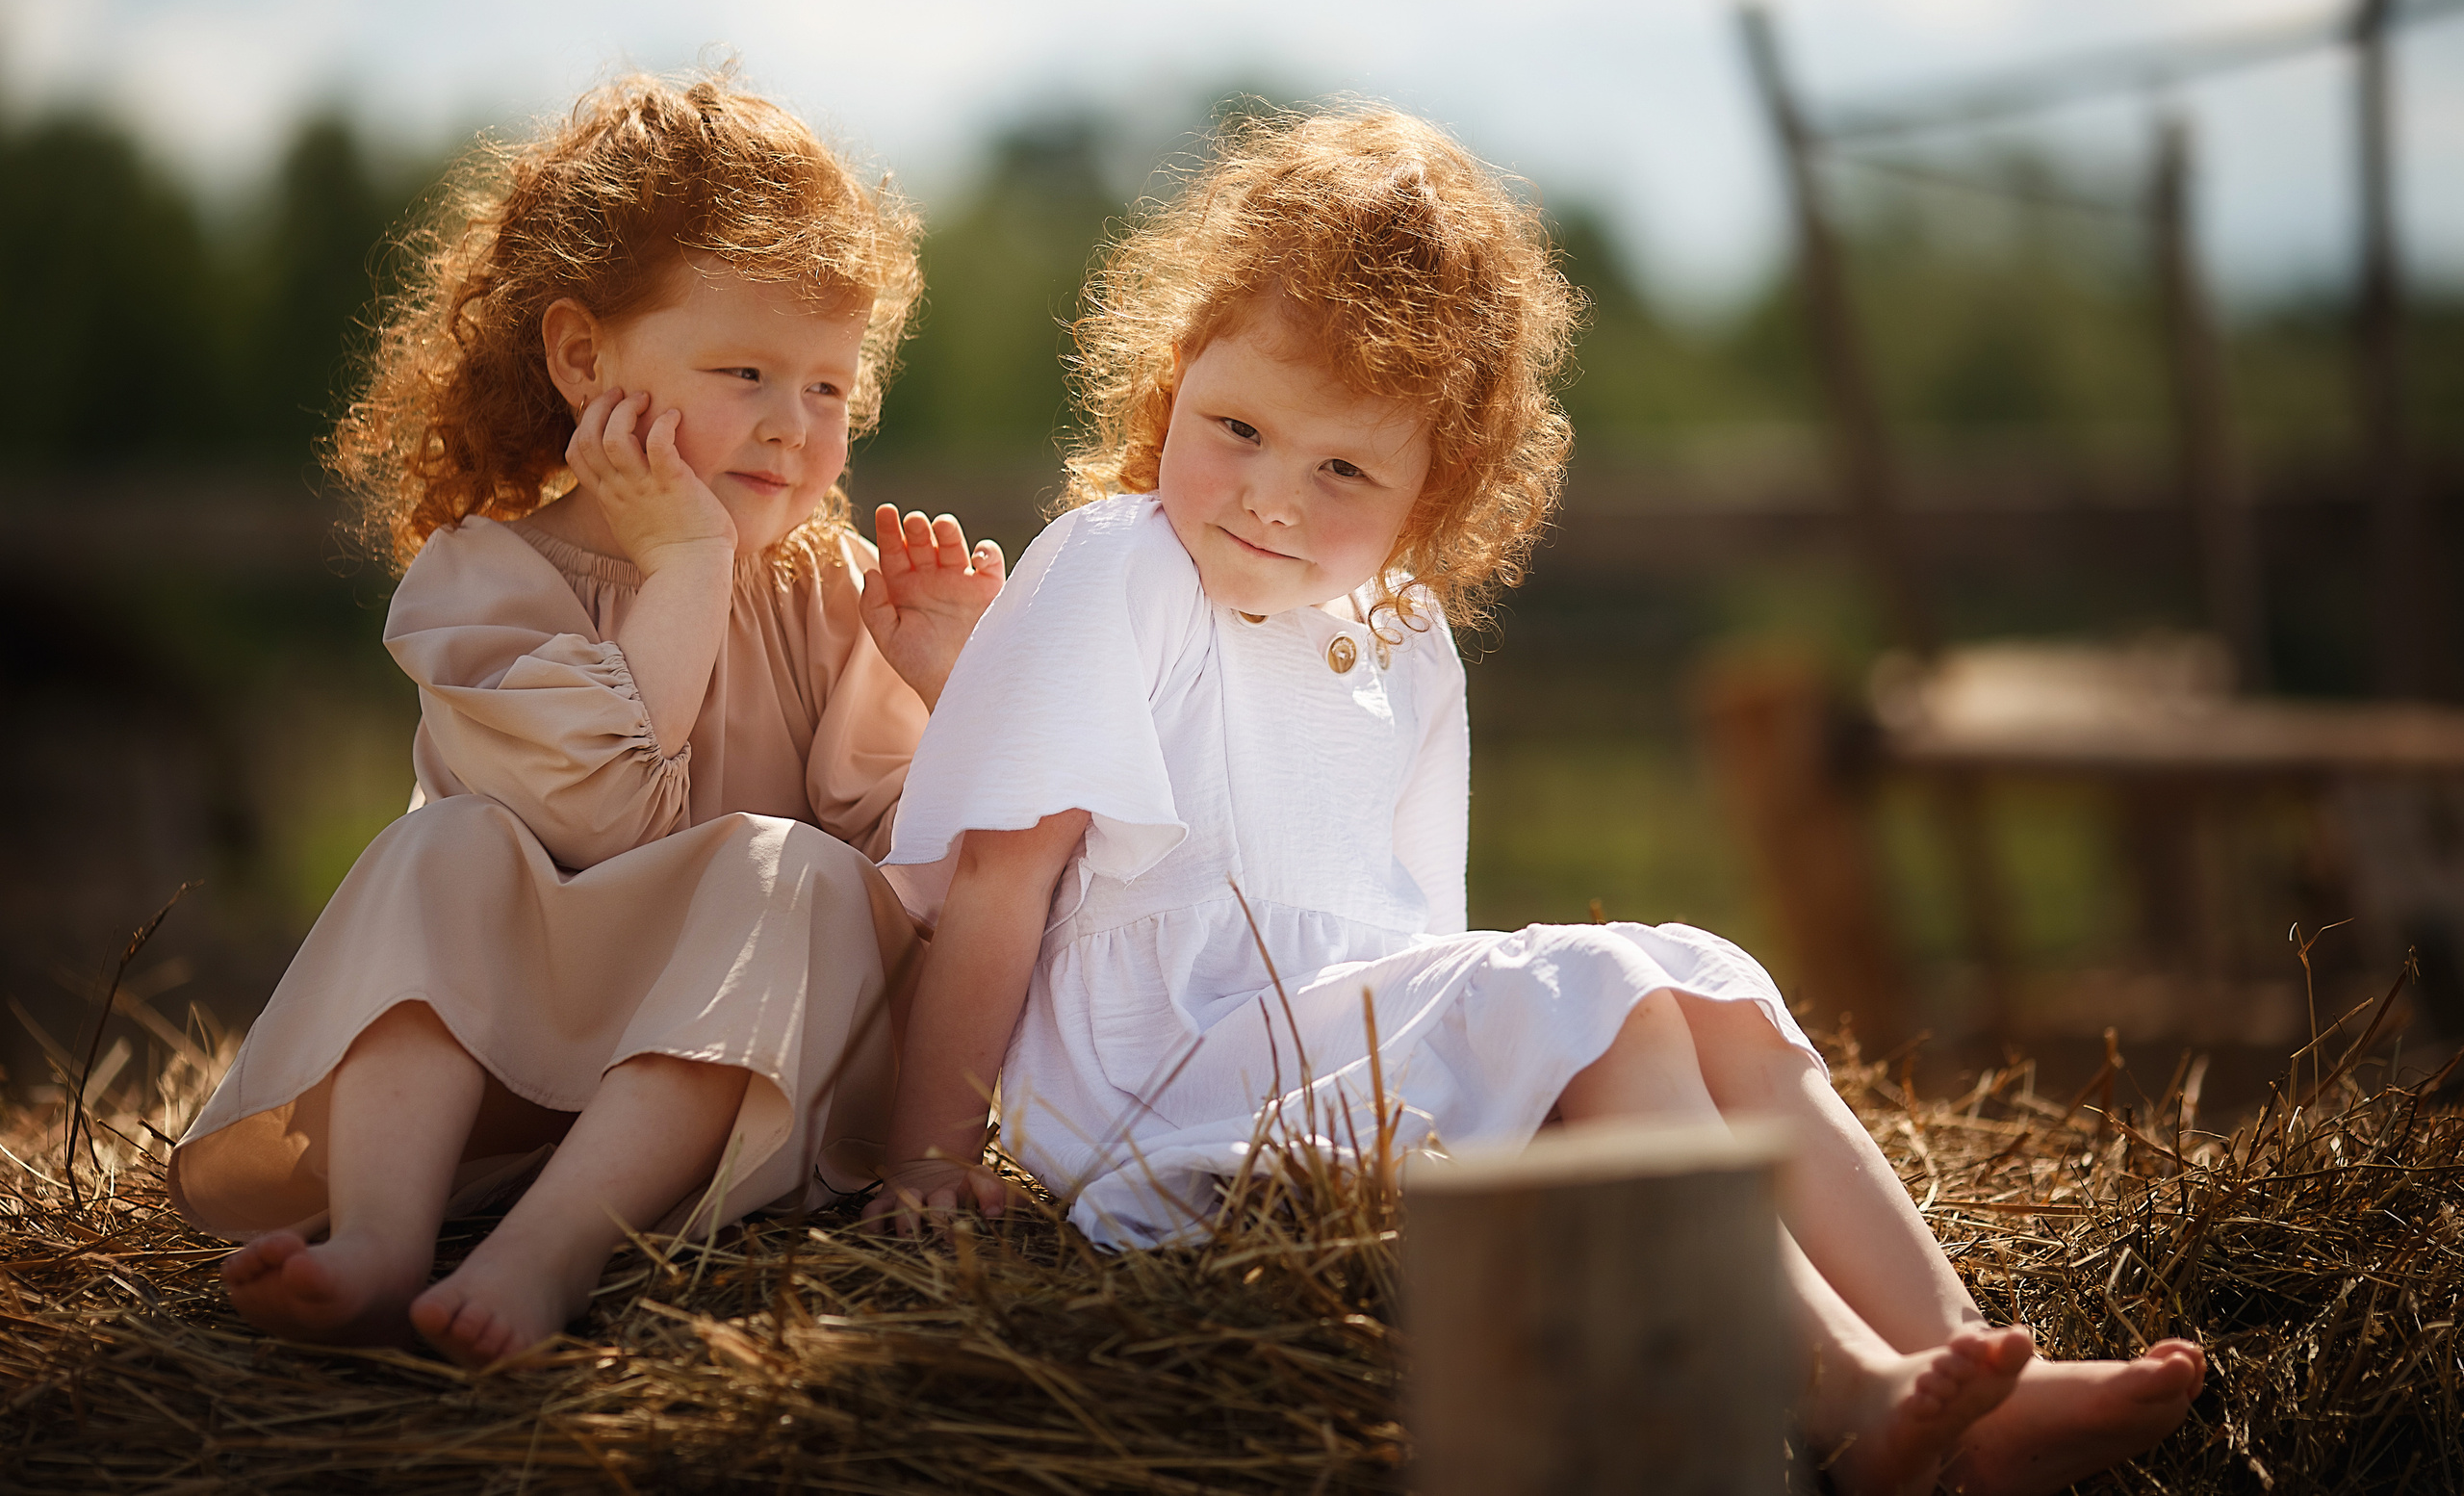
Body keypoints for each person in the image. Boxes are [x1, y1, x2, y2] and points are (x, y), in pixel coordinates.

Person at [869, 107, 2206, 1496]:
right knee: (1582, 985)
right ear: (1172, 383)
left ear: (1433, 496)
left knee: (1702, 974)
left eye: (1342, 469)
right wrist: (923, 1168)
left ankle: (1975, 1374)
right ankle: (1847, 1397)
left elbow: (1418, 941)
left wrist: (1507, 1059)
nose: (1268, 495)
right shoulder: (1114, 569)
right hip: (1159, 1087)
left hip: (1319, 1067)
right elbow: (999, 881)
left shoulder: (1401, 642)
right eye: (1239, 427)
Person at [167, 72, 1004, 1369]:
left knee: (802, 874)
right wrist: (685, 568)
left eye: (832, 391)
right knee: (432, 851)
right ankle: (385, 1240)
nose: (794, 428)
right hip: (515, 1067)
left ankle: (550, 1248)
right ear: (581, 358)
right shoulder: (486, 582)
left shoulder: (837, 597)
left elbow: (900, 854)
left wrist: (939, 683)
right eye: (746, 372)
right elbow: (598, 816)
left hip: (731, 1083)